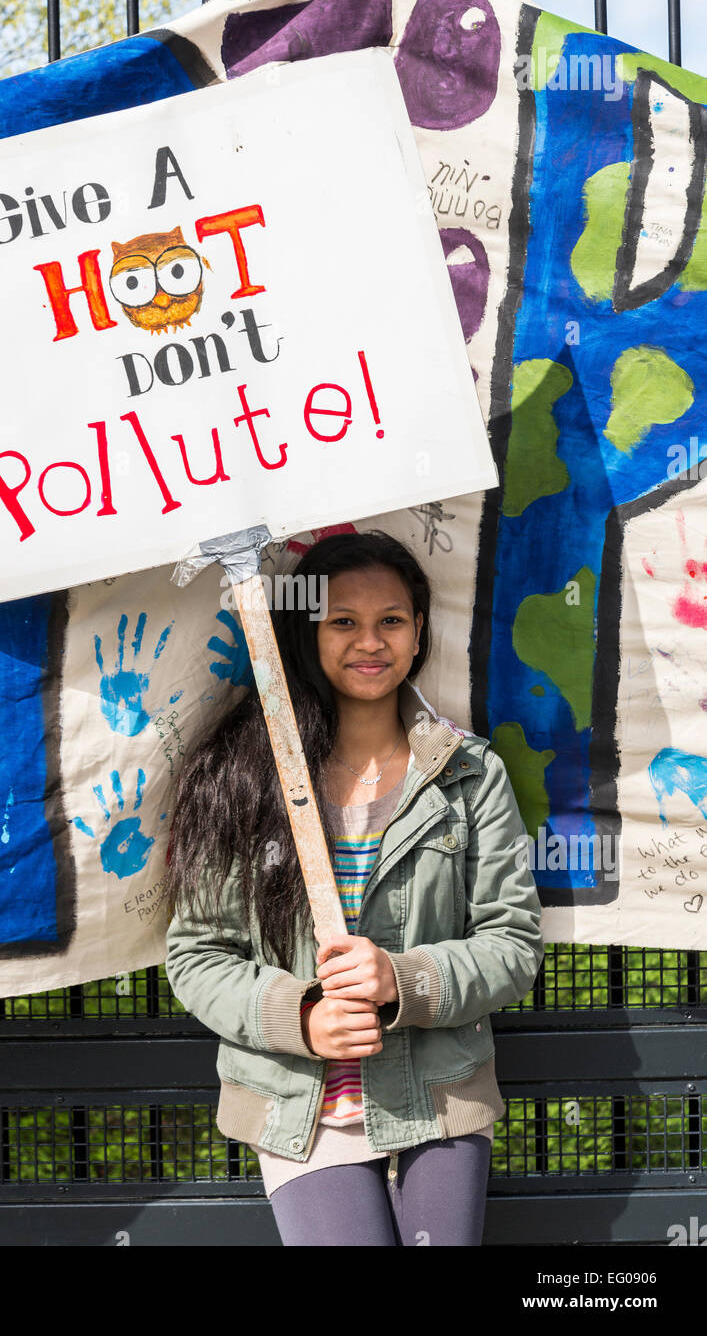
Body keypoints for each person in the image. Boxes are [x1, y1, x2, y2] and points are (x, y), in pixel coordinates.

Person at [164, 528, 544, 1246]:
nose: (369, 642)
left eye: (390, 621)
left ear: (419, 630)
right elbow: (197, 955)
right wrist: (297, 1017)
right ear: (307, 635)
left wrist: (402, 979)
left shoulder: (467, 774)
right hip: (297, 1106)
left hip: (436, 1098)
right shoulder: (242, 775)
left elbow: (513, 944)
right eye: (342, 621)